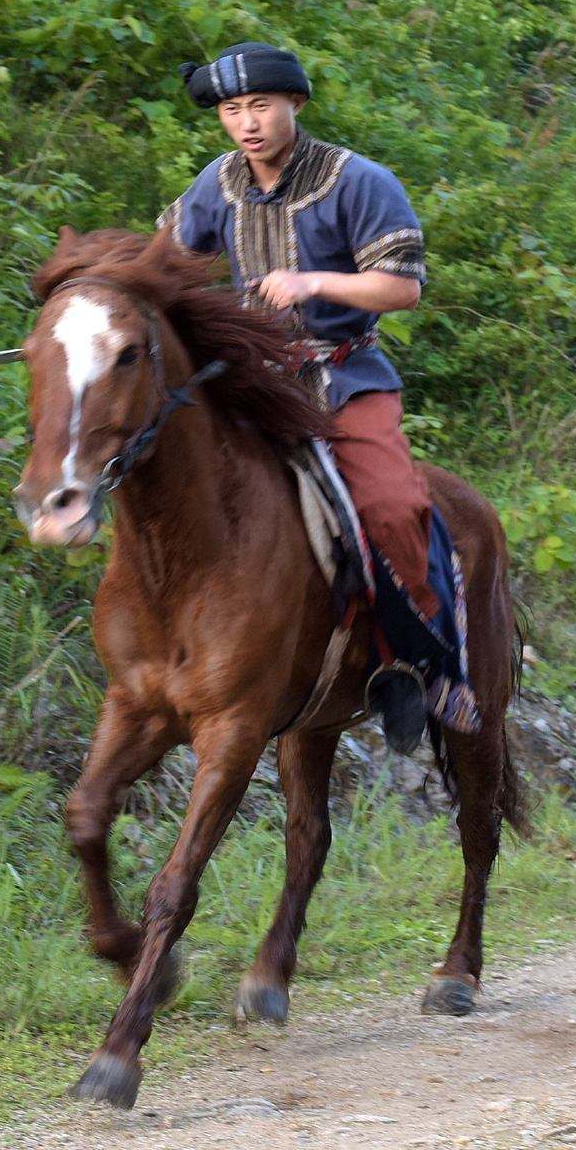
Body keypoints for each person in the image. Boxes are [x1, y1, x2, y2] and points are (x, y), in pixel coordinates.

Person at [159, 40, 463, 750]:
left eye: (260, 104)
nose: (248, 123)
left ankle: (415, 660)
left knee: (392, 506)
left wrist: (313, 282)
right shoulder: (217, 183)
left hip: (344, 377)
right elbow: (167, 261)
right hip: (247, 382)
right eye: (233, 110)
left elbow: (403, 286)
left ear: (294, 102)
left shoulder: (358, 181)